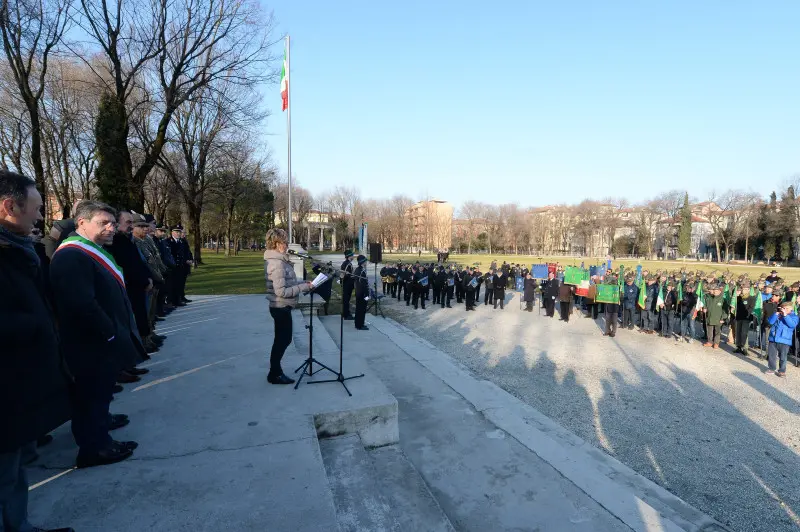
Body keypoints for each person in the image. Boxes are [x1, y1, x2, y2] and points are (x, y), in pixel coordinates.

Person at [0, 170, 75, 532]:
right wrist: (36, 325)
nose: (42, 217)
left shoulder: (17, 250)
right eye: (36, 208)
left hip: (19, 387)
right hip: (7, 387)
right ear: (9, 206)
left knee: (14, 471)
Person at [51, 200, 145, 468]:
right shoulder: (72, 254)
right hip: (90, 342)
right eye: (103, 223)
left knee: (99, 392)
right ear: (81, 222)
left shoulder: (90, 250)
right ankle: (96, 448)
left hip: (98, 339)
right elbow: (81, 304)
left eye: (113, 223)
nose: (111, 228)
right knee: (91, 394)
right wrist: (110, 333)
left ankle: (99, 430)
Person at [264, 228, 313, 384]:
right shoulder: (277, 264)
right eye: (284, 242)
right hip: (280, 306)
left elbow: (289, 283)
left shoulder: (280, 261)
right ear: (277, 244)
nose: (286, 245)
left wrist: (304, 283)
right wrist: (304, 287)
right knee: (282, 341)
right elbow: (282, 292)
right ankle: (275, 374)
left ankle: (274, 372)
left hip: (281, 307)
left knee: (282, 340)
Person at [767, 301, 799, 377]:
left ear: (790, 308)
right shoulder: (778, 315)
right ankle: (771, 368)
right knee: (771, 355)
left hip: (785, 340)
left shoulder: (794, 316)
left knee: (783, 357)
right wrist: (775, 314)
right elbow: (770, 322)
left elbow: (792, 325)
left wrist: (785, 315)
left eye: (786, 308)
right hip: (773, 338)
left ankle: (782, 371)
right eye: (782, 308)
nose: (783, 310)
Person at [734, 285, 756, 356]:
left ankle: (745, 348)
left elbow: (751, 308)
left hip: (746, 318)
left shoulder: (752, 298)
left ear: (749, 290)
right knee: (738, 332)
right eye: (743, 289)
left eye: (746, 289)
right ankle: (739, 346)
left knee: (744, 333)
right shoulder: (738, 298)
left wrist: (748, 315)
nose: (744, 290)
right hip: (738, 317)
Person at [354, 254, 370, 329]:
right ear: (362, 262)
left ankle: (357, 324)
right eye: (365, 261)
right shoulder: (361, 272)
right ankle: (360, 325)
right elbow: (364, 285)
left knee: (358, 309)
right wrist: (366, 295)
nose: (366, 263)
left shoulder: (357, 270)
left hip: (358, 292)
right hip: (362, 294)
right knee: (362, 309)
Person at [340, 250, 355, 320]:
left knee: (347, 300)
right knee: (346, 300)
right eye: (352, 255)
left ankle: (346, 313)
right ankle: (346, 315)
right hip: (347, 284)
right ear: (349, 256)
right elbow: (343, 275)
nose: (353, 256)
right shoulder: (347, 264)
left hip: (348, 284)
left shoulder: (348, 263)